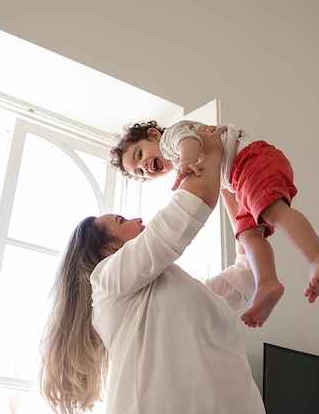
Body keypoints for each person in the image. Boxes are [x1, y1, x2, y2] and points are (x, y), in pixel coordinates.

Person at [39, 125, 266, 414]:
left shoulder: (180, 292)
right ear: (109, 250)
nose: (137, 218)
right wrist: (212, 151)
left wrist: (226, 188)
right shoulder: (107, 281)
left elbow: (246, 275)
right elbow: (187, 210)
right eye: (122, 221)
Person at [109, 120, 319, 328]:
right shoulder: (181, 156)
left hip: (252, 160)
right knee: (247, 234)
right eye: (140, 172)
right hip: (240, 180)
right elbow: (220, 183)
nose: (145, 167)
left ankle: (318, 254)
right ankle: (267, 283)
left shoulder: (172, 137)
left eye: (139, 154)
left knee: (274, 212)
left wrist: (188, 161)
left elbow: (187, 141)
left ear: (153, 135)